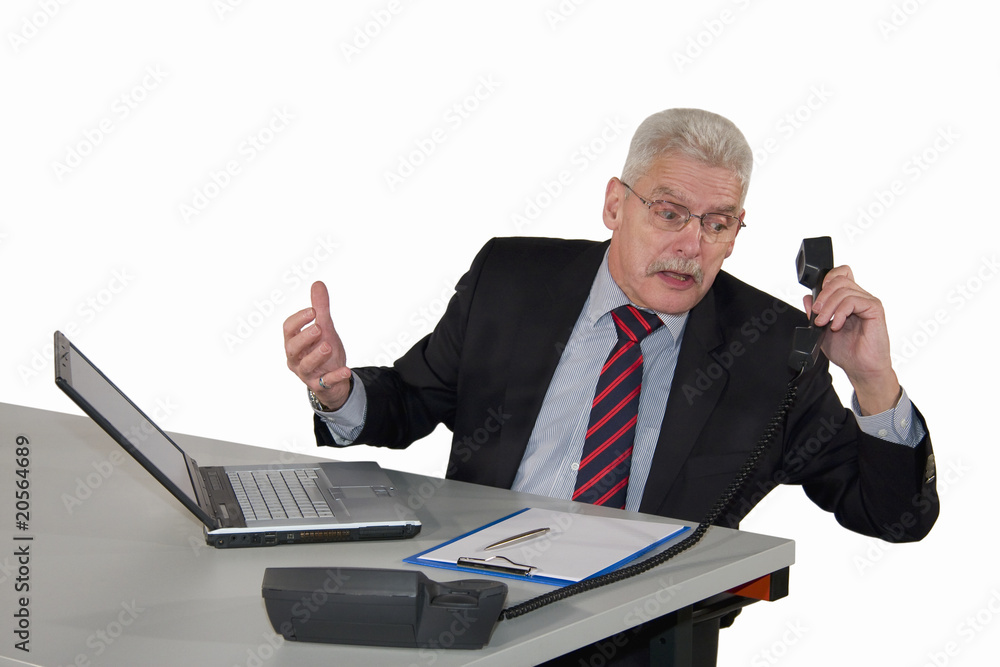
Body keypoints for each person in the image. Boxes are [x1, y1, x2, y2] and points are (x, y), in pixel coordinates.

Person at [282, 108, 937, 544]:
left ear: (736, 232)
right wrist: (340, 392)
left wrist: (873, 380)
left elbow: (895, 517)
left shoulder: (771, 348)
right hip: (473, 601)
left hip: (644, 636)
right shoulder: (510, 279)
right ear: (615, 204)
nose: (691, 245)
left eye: (716, 223)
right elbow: (409, 401)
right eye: (669, 212)